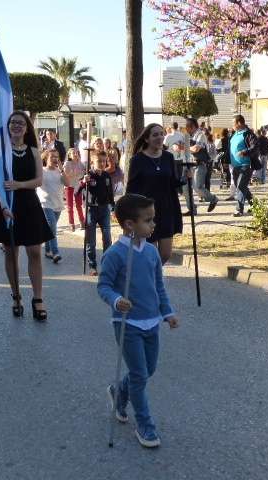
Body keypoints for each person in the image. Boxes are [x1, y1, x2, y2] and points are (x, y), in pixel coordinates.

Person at [98, 193, 179, 448]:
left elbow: (158, 286)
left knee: (148, 370)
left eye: (153, 219)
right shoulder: (115, 254)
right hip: (127, 324)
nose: (153, 225)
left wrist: (167, 312)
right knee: (139, 374)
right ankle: (145, 425)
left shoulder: (152, 253)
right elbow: (104, 286)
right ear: (129, 224)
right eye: (148, 220)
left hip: (151, 322)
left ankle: (118, 392)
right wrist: (116, 300)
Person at [0, 111, 54, 321]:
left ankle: (38, 298)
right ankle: (16, 296)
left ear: (27, 128)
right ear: (8, 126)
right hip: (8, 204)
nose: (16, 126)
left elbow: (39, 181)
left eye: (21, 123)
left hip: (29, 204)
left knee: (35, 252)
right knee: (11, 252)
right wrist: (4, 205)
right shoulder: (2, 152)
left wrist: (19, 185)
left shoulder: (34, 151)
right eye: (13, 122)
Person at [126, 123, 183, 264]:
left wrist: (185, 178)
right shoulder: (137, 160)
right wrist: (129, 213)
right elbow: (131, 189)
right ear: (147, 139)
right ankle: (153, 276)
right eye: (155, 135)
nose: (160, 137)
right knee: (150, 255)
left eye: (162, 134)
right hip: (146, 212)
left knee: (165, 254)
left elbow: (173, 182)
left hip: (166, 209)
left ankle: (154, 274)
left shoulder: (168, 157)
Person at [82, 150, 114, 276]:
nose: (102, 163)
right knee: (91, 240)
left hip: (104, 209)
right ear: (92, 162)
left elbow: (110, 192)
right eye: (99, 161)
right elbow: (77, 191)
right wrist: (84, 182)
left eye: (104, 161)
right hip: (91, 209)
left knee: (107, 238)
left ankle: (106, 264)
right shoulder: (88, 175)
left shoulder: (106, 176)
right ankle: (92, 265)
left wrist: (113, 206)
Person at [184, 117, 218, 215]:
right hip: (189, 165)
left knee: (198, 188)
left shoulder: (201, 135)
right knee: (185, 188)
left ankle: (213, 199)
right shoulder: (190, 136)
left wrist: (184, 147)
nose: (186, 129)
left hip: (199, 165)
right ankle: (192, 209)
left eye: (187, 127)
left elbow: (196, 149)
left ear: (192, 127)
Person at [38, 149, 65, 264]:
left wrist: (62, 169)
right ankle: (55, 252)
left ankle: (47, 250)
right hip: (45, 204)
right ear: (46, 158)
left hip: (57, 204)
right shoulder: (41, 171)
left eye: (56, 157)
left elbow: (68, 183)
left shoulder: (60, 172)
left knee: (50, 229)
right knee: (53, 228)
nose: (55, 159)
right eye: (52, 156)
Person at [229, 115, 257, 216]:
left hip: (246, 165)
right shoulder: (234, 134)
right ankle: (255, 205)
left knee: (240, 186)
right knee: (241, 186)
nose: (232, 125)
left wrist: (244, 152)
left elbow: (255, 147)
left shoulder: (248, 134)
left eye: (234, 123)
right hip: (235, 166)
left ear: (239, 123)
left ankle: (239, 210)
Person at [63, 148, 86, 231]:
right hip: (69, 186)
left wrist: (77, 174)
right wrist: (74, 174)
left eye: (77, 153)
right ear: (69, 155)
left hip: (77, 186)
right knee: (70, 206)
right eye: (73, 153)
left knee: (79, 205)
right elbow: (65, 175)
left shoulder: (81, 164)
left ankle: (82, 221)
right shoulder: (67, 163)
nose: (76, 154)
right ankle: (71, 223)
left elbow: (83, 174)